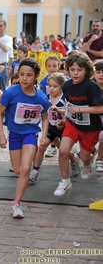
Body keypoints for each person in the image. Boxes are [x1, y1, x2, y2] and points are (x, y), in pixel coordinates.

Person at [0, 58, 51, 218]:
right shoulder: (10, 93)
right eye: (21, 74)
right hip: (14, 135)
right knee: (19, 170)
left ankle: (16, 204)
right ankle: (25, 173)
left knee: (26, 169)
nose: (24, 78)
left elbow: (45, 117)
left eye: (29, 75)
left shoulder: (40, 97)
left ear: (35, 77)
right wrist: (1, 135)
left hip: (30, 134)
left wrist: (44, 135)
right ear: (17, 75)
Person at [55, 52, 103, 196]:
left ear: (86, 70)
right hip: (73, 124)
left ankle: (87, 163)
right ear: (67, 69)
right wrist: (66, 118)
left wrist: (80, 109)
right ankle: (65, 180)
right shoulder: (67, 86)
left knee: (84, 157)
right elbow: (69, 104)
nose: (75, 73)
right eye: (72, 69)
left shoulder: (92, 86)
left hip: (91, 128)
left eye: (79, 70)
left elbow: (100, 108)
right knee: (63, 150)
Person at [29, 72, 80, 181]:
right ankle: (35, 170)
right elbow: (44, 117)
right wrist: (43, 134)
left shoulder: (65, 98)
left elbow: (71, 113)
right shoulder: (46, 98)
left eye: (55, 86)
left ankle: (73, 159)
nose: (51, 89)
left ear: (62, 87)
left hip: (64, 128)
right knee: (42, 146)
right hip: (51, 127)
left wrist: (61, 115)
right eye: (50, 86)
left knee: (64, 151)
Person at [92, 60, 103, 171]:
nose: (101, 75)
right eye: (98, 72)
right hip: (90, 116)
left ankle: (100, 159)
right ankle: (91, 151)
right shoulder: (90, 87)